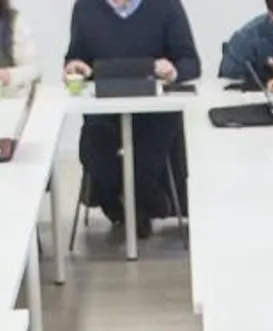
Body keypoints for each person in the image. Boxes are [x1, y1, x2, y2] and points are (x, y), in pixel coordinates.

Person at [63, 0, 201, 238]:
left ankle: (143, 201)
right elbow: (76, 57)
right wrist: (74, 67)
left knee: (147, 155)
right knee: (95, 151)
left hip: (155, 112)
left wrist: (173, 71)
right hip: (104, 110)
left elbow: (190, 62)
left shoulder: (166, 6)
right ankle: (125, 207)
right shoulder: (86, 7)